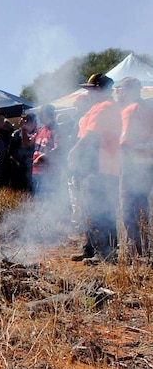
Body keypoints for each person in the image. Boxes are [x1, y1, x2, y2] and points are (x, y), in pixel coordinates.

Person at [68, 73, 121, 263]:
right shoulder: (98, 107)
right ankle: (90, 248)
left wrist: (73, 153)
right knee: (88, 210)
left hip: (100, 167)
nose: (87, 94)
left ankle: (104, 252)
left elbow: (90, 137)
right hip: (94, 167)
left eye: (90, 90)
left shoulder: (105, 107)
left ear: (98, 88)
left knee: (100, 210)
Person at [116, 76, 153, 257]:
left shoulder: (130, 110)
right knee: (142, 208)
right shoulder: (147, 108)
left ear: (128, 91)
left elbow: (125, 142)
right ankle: (144, 249)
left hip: (132, 168)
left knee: (128, 210)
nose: (117, 94)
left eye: (119, 90)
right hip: (146, 167)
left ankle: (136, 253)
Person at [31, 105, 58, 196]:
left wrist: (41, 158)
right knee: (38, 200)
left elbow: (58, 149)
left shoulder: (56, 130)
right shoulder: (41, 130)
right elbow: (28, 143)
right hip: (37, 171)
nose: (39, 117)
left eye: (41, 114)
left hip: (50, 173)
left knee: (48, 200)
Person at [7, 113, 37, 191]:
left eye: (27, 121)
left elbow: (28, 144)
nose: (25, 124)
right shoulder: (16, 134)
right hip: (19, 167)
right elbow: (11, 150)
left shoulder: (37, 133)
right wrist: (16, 161)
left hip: (33, 166)